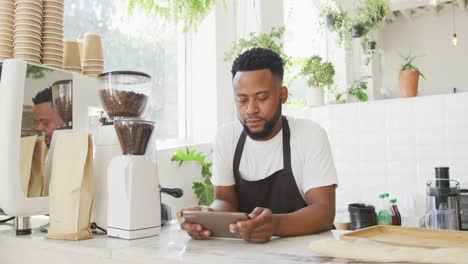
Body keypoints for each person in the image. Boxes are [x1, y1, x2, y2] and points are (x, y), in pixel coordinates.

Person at [178, 48, 337, 243]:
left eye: (261, 98)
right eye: (242, 100)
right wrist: (208, 217)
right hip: (249, 254)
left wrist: (275, 226)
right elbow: (226, 201)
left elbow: (324, 211)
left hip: (308, 253)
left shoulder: (309, 134)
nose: (251, 109)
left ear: (283, 95)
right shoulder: (226, 137)